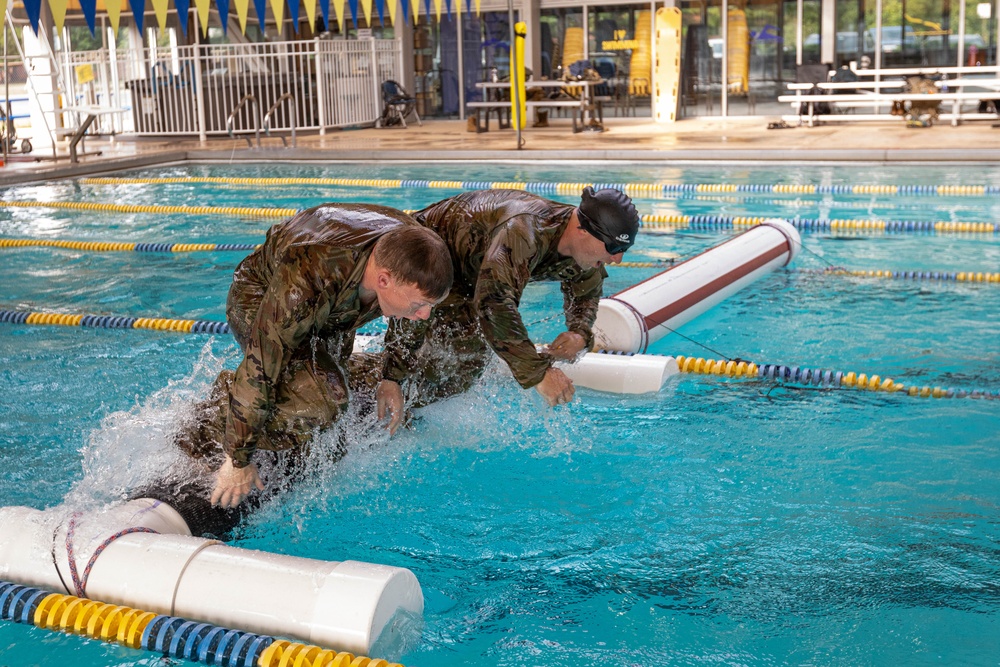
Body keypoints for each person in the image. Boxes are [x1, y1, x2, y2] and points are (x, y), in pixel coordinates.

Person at [152, 203, 453, 533]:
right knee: (322, 400)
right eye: (418, 306)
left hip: (333, 306)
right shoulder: (307, 276)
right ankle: (211, 419)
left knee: (335, 408)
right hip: (263, 298)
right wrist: (238, 458)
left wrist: (391, 378)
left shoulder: (412, 255)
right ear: (383, 280)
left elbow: (415, 318)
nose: (424, 314)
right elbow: (262, 365)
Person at [352, 186, 639, 433]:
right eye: (613, 246)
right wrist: (538, 374)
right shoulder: (525, 230)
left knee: (464, 366)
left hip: (467, 280)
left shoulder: (587, 253)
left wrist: (578, 332)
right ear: (582, 229)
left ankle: (397, 410)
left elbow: (586, 291)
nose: (618, 258)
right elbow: (494, 303)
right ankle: (358, 386)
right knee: (409, 356)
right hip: (424, 263)